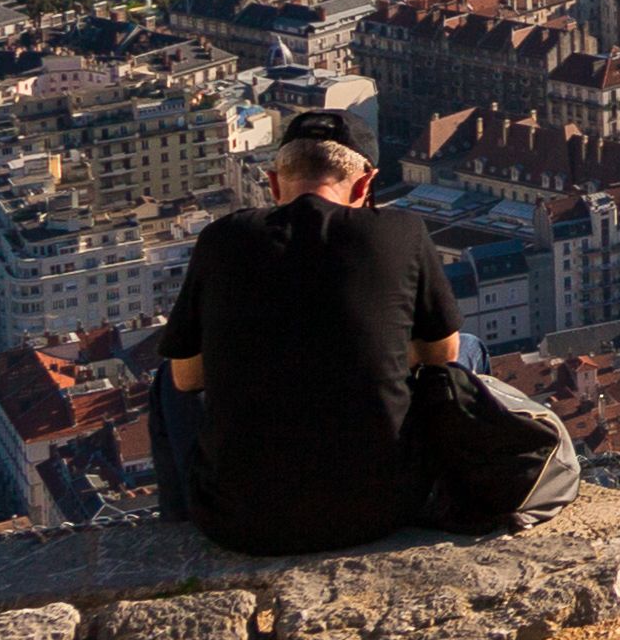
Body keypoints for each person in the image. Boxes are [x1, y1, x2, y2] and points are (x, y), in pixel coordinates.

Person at [158, 112, 459, 558]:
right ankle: (462, 486)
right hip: (382, 508)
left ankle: (176, 518)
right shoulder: (402, 232)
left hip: (237, 521)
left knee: (163, 381)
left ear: (274, 182)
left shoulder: (223, 238)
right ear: (365, 185)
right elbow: (444, 353)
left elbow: (186, 379)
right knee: (469, 349)